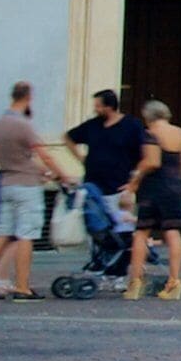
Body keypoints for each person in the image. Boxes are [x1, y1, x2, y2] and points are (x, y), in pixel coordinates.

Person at [63, 88, 143, 288]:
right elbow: (69, 137)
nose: (95, 109)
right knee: (98, 229)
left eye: (98, 105)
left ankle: (119, 273)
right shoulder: (93, 125)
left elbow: (143, 155)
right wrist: (82, 158)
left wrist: (134, 182)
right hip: (94, 186)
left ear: (109, 106)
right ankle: (101, 265)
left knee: (122, 230)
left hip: (119, 185)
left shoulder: (131, 126)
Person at [124, 98, 181, 300]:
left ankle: (135, 282)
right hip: (174, 187)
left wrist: (134, 179)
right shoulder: (180, 133)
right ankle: (174, 281)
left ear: (148, 117)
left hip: (153, 189)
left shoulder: (150, 134)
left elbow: (151, 162)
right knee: (172, 232)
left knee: (141, 233)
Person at [0, 82, 44, 298]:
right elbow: (41, 153)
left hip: (6, 183)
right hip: (26, 184)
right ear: (28, 97)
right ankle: (22, 286)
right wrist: (57, 174)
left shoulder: (0, 123)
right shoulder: (23, 125)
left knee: (0, 235)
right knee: (25, 235)